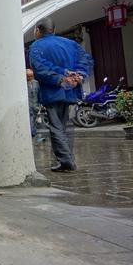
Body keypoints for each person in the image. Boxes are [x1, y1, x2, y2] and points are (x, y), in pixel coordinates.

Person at [30, 17, 93, 172]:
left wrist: (61, 79)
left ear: (38, 30)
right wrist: (79, 76)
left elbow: (40, 69)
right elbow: (86, 60)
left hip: (53, 91)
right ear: (54, 30)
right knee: (65, 126)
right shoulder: (70, 44)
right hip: (71, 91)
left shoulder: (36, 46)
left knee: (56, 127)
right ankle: (66, 159)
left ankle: (66, 160)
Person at [26, 69, 45, 144]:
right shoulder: (22, 84)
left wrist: (40, 104)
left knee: (33, 120)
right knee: (31, 120)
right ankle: (33, 135)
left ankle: (33, 135)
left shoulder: (36, 83)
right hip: (27, 106)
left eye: (31, 76)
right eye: (28, 76)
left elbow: (39, 94)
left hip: (35, 105)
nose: (29, 77)